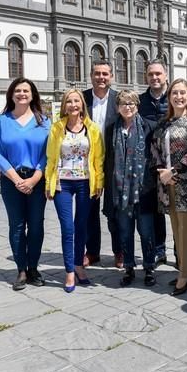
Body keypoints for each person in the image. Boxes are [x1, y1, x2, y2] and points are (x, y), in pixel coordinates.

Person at [0, 77, 50, 291]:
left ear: (32, 94)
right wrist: (16, 180)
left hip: (37, 181)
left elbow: (48, 153)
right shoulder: (2, 121)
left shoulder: (44, 121)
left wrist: (34, 179)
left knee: (36, 225)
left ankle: (33, 268)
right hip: (11, 180)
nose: (22, 94)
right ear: (11, 95)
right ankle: (21, 270)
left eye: (26, 90)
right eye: (18, 90)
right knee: (16, 225)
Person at [152, 79, 187, 296]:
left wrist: (173, 172)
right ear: (169, 97)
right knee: (176, 229)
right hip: (167, 186)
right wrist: (162, 173)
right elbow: (154, 148)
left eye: (183, 93)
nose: (178, 97)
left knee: (186, 232)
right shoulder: (163, 124)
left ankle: (184, 274)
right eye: (174, 93)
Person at [45, 89, 104, 293]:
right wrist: (48, 184)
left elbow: (99, 159)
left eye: (76, 101)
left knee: (81, 227)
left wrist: (99, 183)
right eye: (68, 101)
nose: (72, 105)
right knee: (67, 228)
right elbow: (51, 158)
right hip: (62, 183)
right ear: (64, 105)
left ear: (82, 104)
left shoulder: (92, 129)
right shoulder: (56, 128)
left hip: (85, 183)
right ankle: (69, 270)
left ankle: (79, 266)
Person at [103, 90, 157, 287]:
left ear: (137, 105)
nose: (128, 107)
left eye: (131, 103)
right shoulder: (111, 129)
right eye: (124, 103)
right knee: (125, 232)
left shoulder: (148, 127)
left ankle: (149, 267)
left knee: (146, 231)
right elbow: (107, 159)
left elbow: (155, 156)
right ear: (117, 107)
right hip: (120, 191)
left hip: (143, 189)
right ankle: (129, 267)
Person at [82, 60, 122, 268]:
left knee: (115, 209)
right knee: (89, 209)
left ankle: (119, 251)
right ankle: (92, 251)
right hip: (88, 164)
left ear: (111, 77)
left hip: (114, 163)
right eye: (97, 73)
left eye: (105, 74)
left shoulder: (118, 100)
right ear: (91, 76)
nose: (101, 77)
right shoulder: (82, 99)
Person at [138, 59, 170, 265]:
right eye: (151, 74)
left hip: (173, 165)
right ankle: (159, 250)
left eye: (158, 73)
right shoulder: (141, 102)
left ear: (166, 75)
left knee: (178, 211)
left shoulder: (176, 97)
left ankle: (182, 252)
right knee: (155, 209)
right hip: (149, 166)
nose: (155, 77)